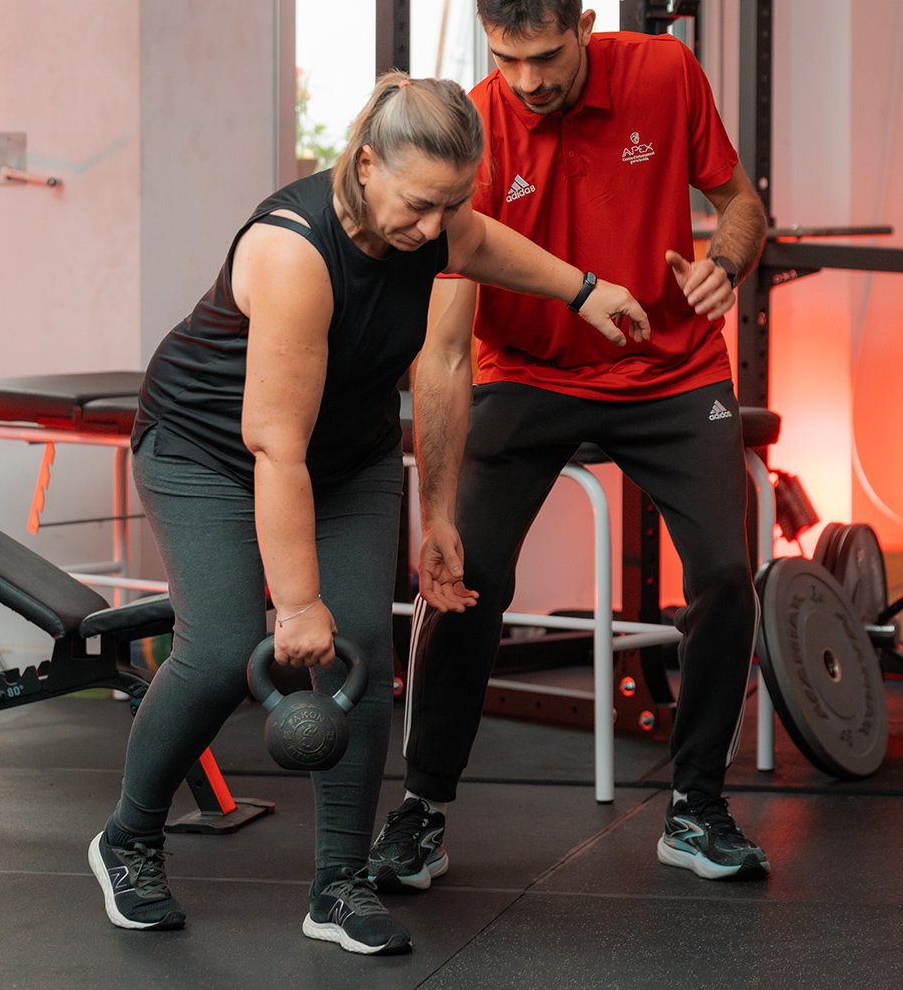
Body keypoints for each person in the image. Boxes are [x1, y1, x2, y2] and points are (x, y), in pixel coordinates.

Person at [86, 71, 649, 956]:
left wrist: (585, 289)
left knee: (365, 651)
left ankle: (338, 882)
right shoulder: (294, 251)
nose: (433, 230)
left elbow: (488, 246)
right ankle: (127, 837)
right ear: (363, 163)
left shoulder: (433, 221)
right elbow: (274, 448)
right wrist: (298, 601)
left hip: (347, 457)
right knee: (226, 648)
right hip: (211, 452)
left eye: (448, 206)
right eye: (421, 205)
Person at [368, 0, 771, 891]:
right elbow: (448, 344)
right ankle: (422, 808)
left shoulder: (665, 71)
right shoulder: (475, 125)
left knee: (722, 567)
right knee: (466, 573)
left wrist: (728, 262)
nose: (525, 80)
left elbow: (741, 203)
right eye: (506, 58)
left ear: (586, 28)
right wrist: (436, 507)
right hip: (531, 373)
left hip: (671, 368)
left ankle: (695, 803)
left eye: (544, 57)